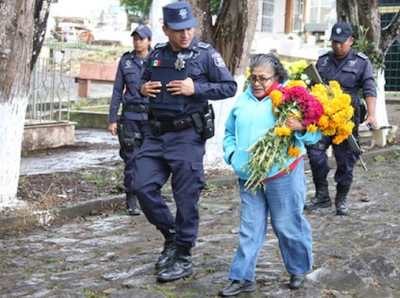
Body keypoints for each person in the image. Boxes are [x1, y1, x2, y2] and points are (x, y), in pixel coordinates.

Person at [132, 1, 237, 283]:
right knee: (140, 185)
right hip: (155, 135)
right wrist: (143, 88)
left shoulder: (205, 55)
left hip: (186, 137)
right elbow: (142, 83)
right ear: (165, 29)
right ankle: (171, 235)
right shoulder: (156, 54)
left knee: (185, 198)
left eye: (189, 28)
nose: (185, 34)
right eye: (178, 30)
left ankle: (184, 255)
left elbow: (229, 86)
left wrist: (196, 88)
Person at [219, 53, 322, 296]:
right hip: (249, 177)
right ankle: (241, 277)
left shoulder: (291, 100)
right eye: (252, 78)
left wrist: (302, 128)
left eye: (263, 79)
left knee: (286, 224)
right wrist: (233, 155)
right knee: (250, 227)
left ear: (276, 78)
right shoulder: (243, 100)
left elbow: (315, 135)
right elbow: (229, 133)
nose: (256, 83)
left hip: (282, 175)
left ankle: (298, 268)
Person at [304, 22, 377, 216]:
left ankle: (341, 198)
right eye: (334, 42)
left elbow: (369, 88)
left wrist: (372, 115)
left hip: (346, 119)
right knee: (315, 152)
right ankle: (322, 195)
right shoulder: (323, 61)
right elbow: (312, 87)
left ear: (351, 40)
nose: (337, 46)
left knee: (345, 161)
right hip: (323, 119)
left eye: (341, 42)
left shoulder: (361, 62)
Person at [108, 24, 152, 216]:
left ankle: (148, 197)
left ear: (149, 41)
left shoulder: (157, 60)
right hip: (130, 118)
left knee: (151, 160)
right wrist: (113, 119)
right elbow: (118, 91)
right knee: (131, 160)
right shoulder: (126, 61)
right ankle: (131, 198)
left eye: (141, 38)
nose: (137, 42)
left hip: (152, 119)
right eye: (135, 38)